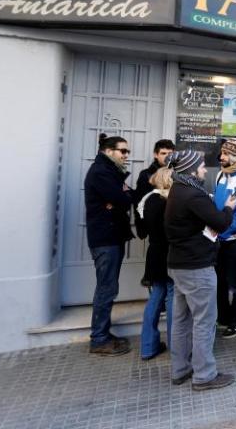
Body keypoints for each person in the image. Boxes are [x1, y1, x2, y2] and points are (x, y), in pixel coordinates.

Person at [165, 150, 236, 390]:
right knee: (204, 321)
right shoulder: (193, 195)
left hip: (179, 264)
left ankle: (180, 369)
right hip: (197, 267)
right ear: (192, 169)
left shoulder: (176, 190)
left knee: (181, 321)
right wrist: (228, 207)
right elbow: (221, 223)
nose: (205, 170)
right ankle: (204, 375)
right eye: (202, 166)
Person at [84, 134, 135, 356]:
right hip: (106, 239)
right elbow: (124, 200)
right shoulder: (101, 173)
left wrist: (121, 197)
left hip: (112, 236)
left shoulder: (110, 172)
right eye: (122, 151)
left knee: (108, 287)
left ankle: (103, 333)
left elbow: (127, 196)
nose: (126, 156)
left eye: (127, 152)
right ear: (108, 151)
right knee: (106, 289)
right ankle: (99, 339)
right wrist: (121, 197)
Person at [213, 137, 236, 340]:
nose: (221, 157)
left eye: (226, 154)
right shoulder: (219, 175)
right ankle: (223, 317)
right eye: (222, 153)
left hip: (234, 240)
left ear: (235, 156)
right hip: (219, 238)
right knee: (219, 282)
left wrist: (222, 231)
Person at [136, 167, 174, 360]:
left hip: (154, 253)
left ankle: (148, 346)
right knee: (173, 300)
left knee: (156, 298)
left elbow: (143, 230)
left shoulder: (147, 200)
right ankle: (177, 347)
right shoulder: (167, 201)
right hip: (169, 254)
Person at [133, 139, 175, 240]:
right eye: (163, 153)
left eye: (170, 153)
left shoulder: (179, 173)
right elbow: (139, 201)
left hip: (175, 225)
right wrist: (141, 226)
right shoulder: (146, 175)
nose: (167, 156)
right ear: (156, 155)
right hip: (156, 226)